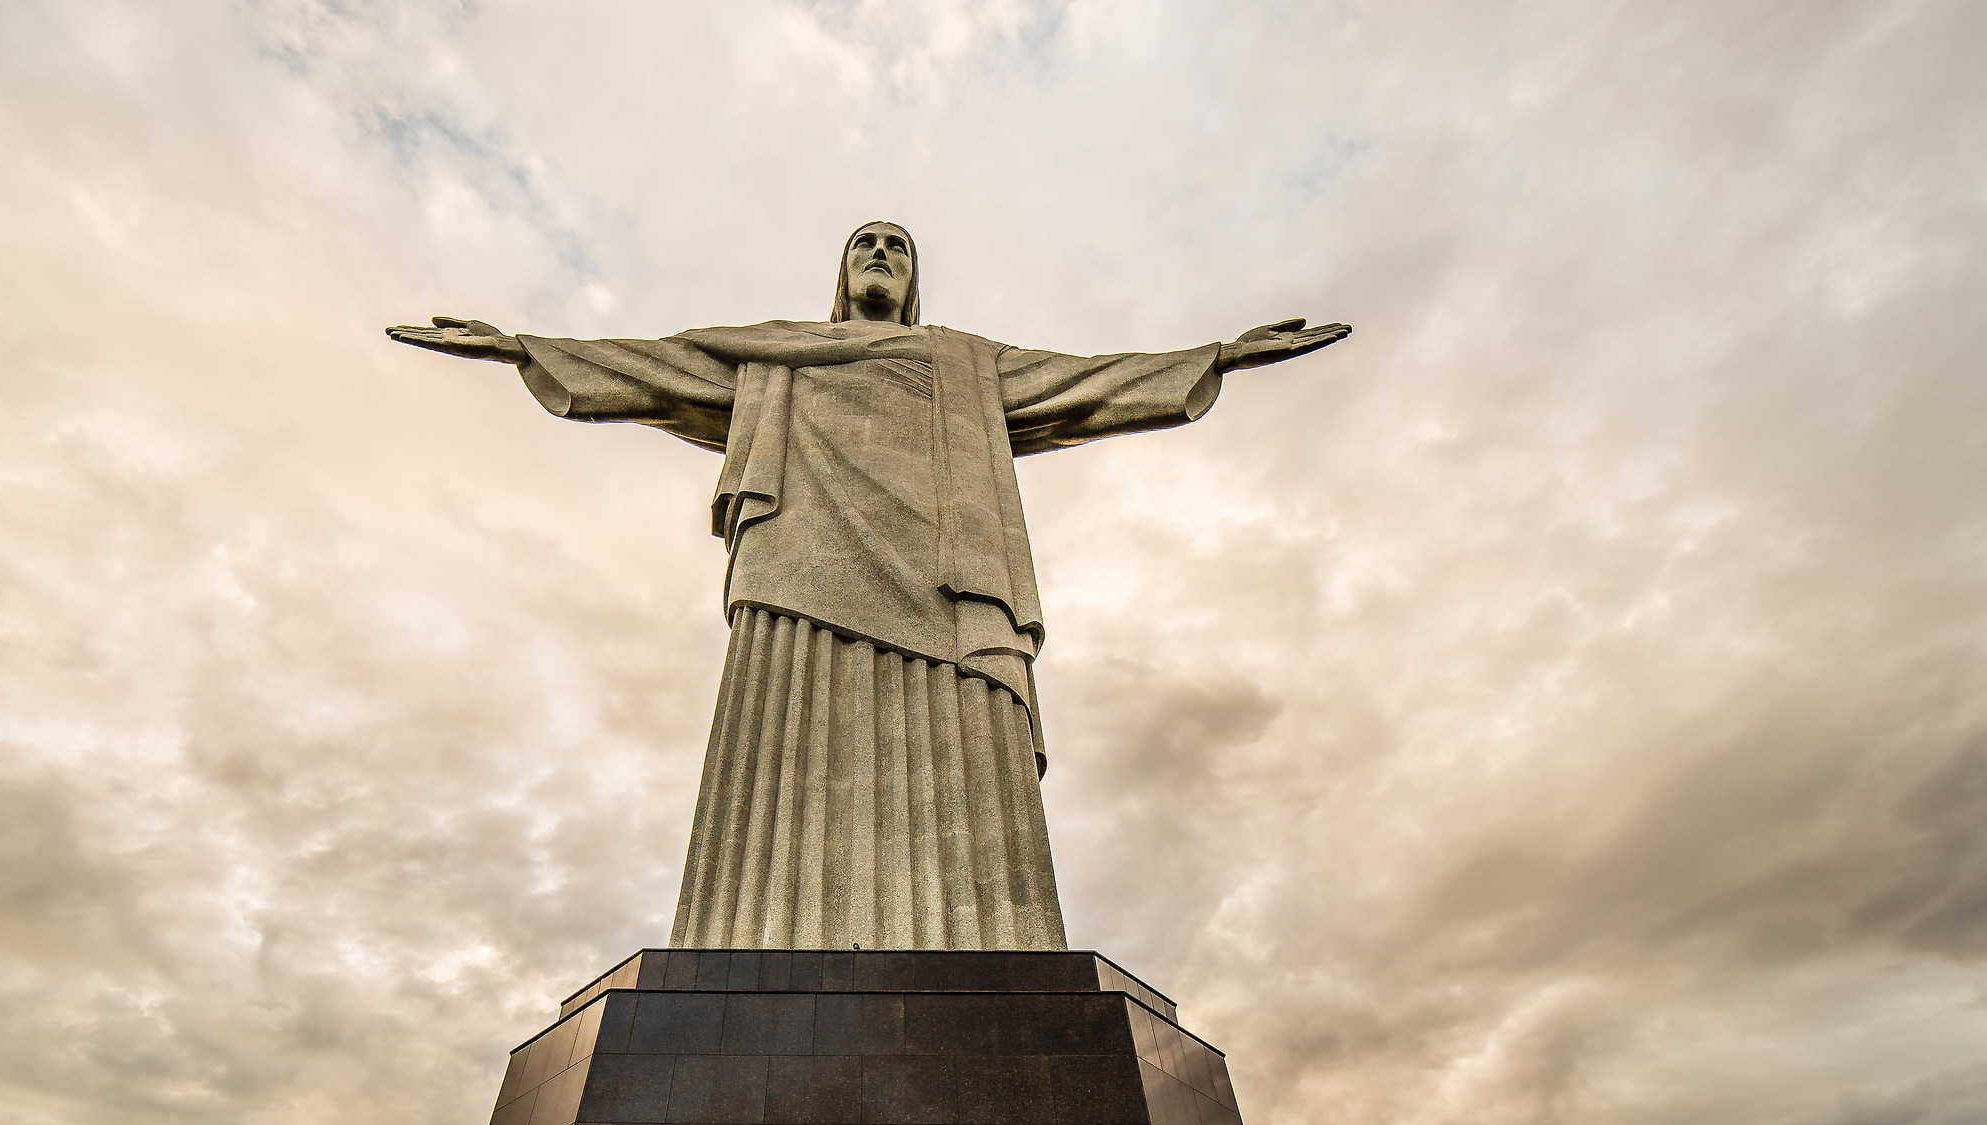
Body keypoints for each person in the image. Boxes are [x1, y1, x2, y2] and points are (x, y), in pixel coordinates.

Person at [388, 221, 1349, 952]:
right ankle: (752, 937)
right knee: (784, 748)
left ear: (914, 280)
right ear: (842, 274)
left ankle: (982, 944)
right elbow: (658, 369)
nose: (881, 254)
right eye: (865, 245)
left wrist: (1215, 356)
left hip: (945, 581)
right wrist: (522, 348)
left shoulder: (965, 363)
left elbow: (1085, 384)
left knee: (964, 753)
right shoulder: (774, 353)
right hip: (799, 566)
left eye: (897, 246)